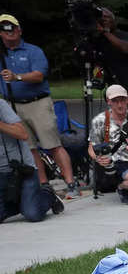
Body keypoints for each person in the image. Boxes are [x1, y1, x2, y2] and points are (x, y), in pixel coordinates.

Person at [0, 14, 80, 198]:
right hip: (12, 106)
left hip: (38, 102)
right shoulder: (1, 54)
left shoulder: (33, 51)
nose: (8, 32)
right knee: (29, 148)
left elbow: (39, 75)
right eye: (4, 29)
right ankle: (43, 185)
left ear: (19, 30)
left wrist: (16, 77)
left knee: (52, 144)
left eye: (11, 27)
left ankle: (70, 183)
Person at [1, 98, 63, 222]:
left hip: (21, 170)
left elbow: (22, 134)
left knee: (32, 214)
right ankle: (23, 201)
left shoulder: (1, 105)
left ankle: (47, 194)